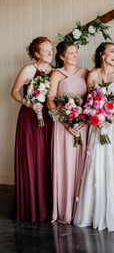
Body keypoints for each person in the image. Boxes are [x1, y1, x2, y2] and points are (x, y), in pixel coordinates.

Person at [73, 42, 114, 232]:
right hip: (97, 126)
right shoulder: (92, 75)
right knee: (96, 165)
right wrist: (96, 117)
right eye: (111, 51)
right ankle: (94, 213)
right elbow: (90, 102)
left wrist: (112, 116)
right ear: (102, 53)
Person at [11, 36, 53, 222]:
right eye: (46, 49)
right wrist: (29, 103)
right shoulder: (28, 69)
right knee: (31, 158)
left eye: (51, 49)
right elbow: (14, 92)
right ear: (37, 53)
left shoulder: (54, 71)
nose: (50, 52)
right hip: (29, 118)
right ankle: (31, 206)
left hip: (49, 118)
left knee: (46, 158)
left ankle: (48, 206)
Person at [47, 41, 88, 224]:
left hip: (83, 125)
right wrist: (64, 122)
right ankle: (65, 209)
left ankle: (82, 211)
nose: (75, 55)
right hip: (64, 126)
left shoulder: (85, 72)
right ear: (62, 56)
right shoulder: (56, 74)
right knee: (66, 164)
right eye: (70, 53)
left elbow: (93, 99)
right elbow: (50, 101)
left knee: (83, 165)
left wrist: (85, 119)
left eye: (75, 52)